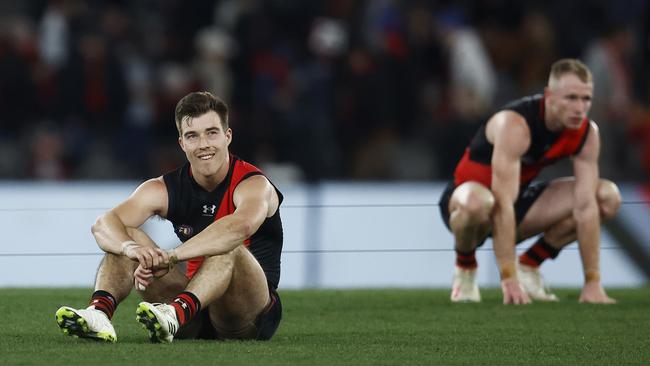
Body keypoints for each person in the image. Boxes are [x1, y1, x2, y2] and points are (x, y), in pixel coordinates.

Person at [55, 91, 284, 342]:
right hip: (192, 310)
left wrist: (172, 257)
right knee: (126, 233)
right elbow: (103, 224)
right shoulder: (165, 187)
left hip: (245, 315)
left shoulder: (254, 184)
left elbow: (241, 226)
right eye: (192, 136)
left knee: (230, 247)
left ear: (227, 136)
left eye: (212, 133)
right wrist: (131, 249)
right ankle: (99, 313)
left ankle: (173, 313)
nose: (204, 144)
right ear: (182, 144)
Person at [438, 59, 621, 305]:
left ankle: (529, 264)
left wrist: (592, 282)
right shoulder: (515, 124)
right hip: (468, 200)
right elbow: (501, 203)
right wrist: (507, 279)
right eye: (571, 98)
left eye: (586, 98)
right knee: (477, 202)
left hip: (516, 202)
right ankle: (465, 268)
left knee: (606, 196)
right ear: (549, 96)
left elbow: (586, 207)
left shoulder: (587, 134)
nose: (580, 108)